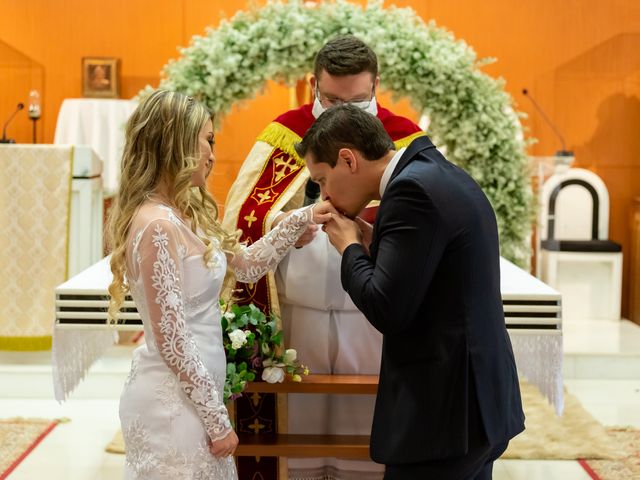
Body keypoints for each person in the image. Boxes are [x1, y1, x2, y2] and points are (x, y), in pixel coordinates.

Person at [222, 35, 424, 479]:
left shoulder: (406, 138)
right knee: (298, 440)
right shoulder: (284, 133)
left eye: (358, 100)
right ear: (313, 84)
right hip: (299, 314)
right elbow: (244, 219)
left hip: (372, 313)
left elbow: (426, 221)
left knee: (367, 440)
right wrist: (287, 224)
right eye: (331, 100)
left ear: (376, 87)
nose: (344, 113)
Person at [107, 90, 332, 479]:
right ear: (177, 142)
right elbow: (171, 338)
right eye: (208, 140)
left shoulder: (182, 214)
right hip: (172, 405)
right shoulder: (157, 226)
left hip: (193, 399)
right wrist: (216, 421)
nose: (213, 153)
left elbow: (244, 266)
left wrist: (302, 218)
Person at [295, 104, 526, 480]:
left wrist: (349, 248)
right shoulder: (436, 171)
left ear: (348, 160)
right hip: (475, 405)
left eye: (321, 180)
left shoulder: (410, 191)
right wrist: (376, 246)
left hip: (445, 416)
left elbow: (387, 309)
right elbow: (432, 273)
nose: (324, 196)